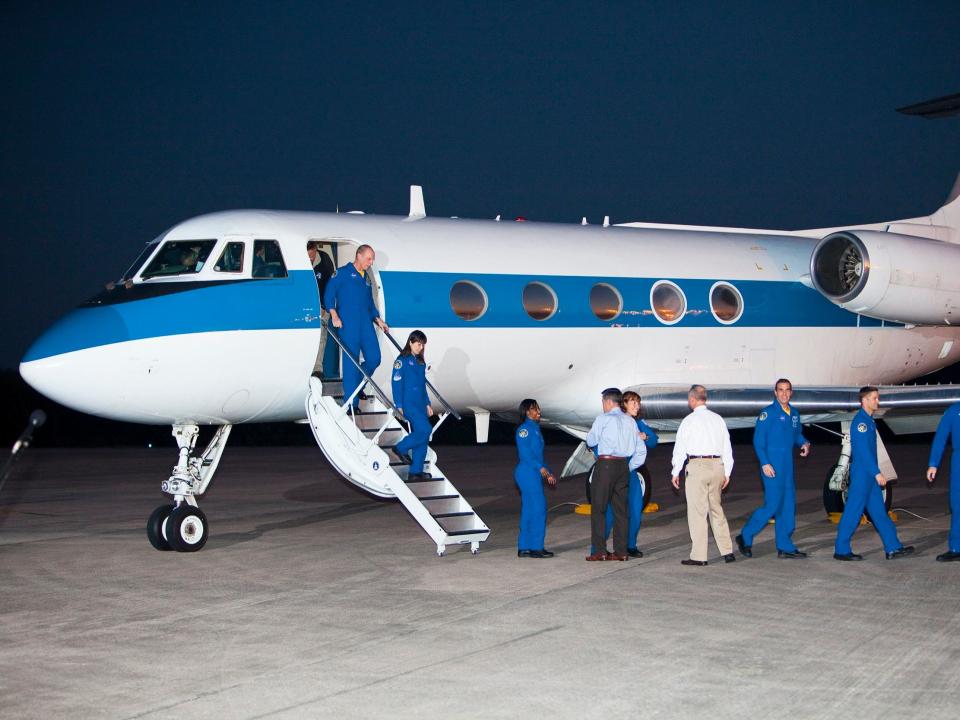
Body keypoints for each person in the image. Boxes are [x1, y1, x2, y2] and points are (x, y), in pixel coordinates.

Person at [834, 386, 914, 561]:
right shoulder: (861, 423)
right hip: (863, 475)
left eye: (877, 398)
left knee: (879, 513)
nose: (877, 401)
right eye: (874, 398)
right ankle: (841, 550)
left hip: (869, 476)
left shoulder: (869, 421)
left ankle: (893, 548)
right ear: (864, 401)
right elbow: (862, 452)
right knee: (853, 513)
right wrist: (877, 473)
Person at [736, 379, 811, 559]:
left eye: (787, 390)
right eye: (780, 390)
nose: (784, 394)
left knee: (787, 505)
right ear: (775, 392)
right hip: (771, 466)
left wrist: (804, 443)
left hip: (787, 467)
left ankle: (784, 546)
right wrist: (764, 463)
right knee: (773, 505)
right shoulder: (767, 413)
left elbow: (796, 434)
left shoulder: (794, 413)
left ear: (791, 392)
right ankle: (745, 536)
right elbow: (758, 441)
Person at [671, 384, 736, 566]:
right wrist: (727, 471)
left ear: (692, 399)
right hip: (717, 466)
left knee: (697, 512)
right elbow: (727, 447)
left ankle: (699, 556)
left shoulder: (689, 421)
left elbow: (680, 449)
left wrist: (676, 471)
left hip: (697, 466)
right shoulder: (718, 419)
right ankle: (727, 551)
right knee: (716, 509)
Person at [323, 245, 389, 407]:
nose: (371, 262)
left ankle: (358, 385)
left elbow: (369, 302)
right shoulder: (342, 273)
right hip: (348, 325)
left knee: (374, 358)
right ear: (358, 256)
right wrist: (334, 314)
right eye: (369, 258)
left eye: (372, 259)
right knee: (351, 363)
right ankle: (351, 403)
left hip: (366, 325)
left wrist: (377, 318)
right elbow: (328, 294)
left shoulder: (365, 277)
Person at [585, 388, 646, 561]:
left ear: (608, 402)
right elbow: (640, 451)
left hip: (606, 465)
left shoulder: (603, 419)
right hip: (623, 465)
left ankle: (600, 551)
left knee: (599, 508)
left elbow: (591, 440)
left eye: (603, 402)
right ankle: (621, 551)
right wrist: (629, 467)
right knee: (621, 511)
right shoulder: (630, 421)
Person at [600, 391, 655, 557]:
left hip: (630, 472)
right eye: (633, 403)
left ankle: (630, 545)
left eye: (638, 403)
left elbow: (653, 440)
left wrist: (645, 436)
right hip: (613, 469)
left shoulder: (638, 422)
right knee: (609, 511)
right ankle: (598, 547)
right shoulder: (613, 420)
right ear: (623, 404)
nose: (637, 406)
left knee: (635, 508)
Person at [514, 399, 557, 559]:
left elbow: (538, 456)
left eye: (538, 408)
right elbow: (526, 454)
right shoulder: (524, 430)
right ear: (527, 412)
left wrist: (548, 472)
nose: (538, 411)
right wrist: (541, 468)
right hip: (527, 472)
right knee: (538, 509)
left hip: (533, 472)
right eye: (534, 409)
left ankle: (524, 547)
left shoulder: (535, 429)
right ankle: (536, 547)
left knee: (529, 510)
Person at [391, 330, 433, 481]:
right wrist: (399, 404)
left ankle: (416, 471)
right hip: (408, 403)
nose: (420, 347)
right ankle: (400, 447)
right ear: (410, 342)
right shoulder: (401, 360)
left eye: (422, 345)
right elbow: (396, 383)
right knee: (426, 429)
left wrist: (427, 403)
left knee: (423, 436)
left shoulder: (420, 362)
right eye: (418, 344)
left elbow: (422, 386)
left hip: (420, 404)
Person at [926, 403, 960, 562]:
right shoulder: (954, 411)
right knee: (957, 505)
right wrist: (933, 464)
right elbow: (941, 437)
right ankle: (956, 548)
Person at [307, 241, 337, 378]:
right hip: (307, 307)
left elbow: (330, 286)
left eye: (312, 256)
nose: (310, 259)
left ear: (315, 249)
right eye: (308, 257)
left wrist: (324, 306)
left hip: (322, 308)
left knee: (321, 338)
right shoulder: (301, 261)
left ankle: (317, 368)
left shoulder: (325, 260)